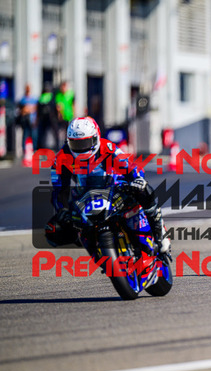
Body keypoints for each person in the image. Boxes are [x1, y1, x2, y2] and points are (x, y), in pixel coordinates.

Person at [45, 117, 170, 254]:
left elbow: (131, 168)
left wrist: (137, 180)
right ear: (68, 142)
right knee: (54, 230)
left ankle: (160, 231)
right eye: (76, 144)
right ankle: (91, 245)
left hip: (115, 189)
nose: (81, 149)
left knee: (145, 190)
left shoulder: (108, 148)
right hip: (85, 196)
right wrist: (62, 210)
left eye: (85, 143)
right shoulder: (61, 157)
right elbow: (59, 189)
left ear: (95, 138)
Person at [37, 83, 59, 150]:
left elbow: (38, 109)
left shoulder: (41, 97)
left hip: (43, 118)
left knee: (42, 134)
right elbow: (55, 107)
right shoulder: (52, 97)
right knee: (55, 133)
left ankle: (40, 147)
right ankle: (57, 147)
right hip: (52, 117)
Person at [17, 84, 38, 152]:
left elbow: (35, 108)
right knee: (25, 135)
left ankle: (34, 149)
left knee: (34, 136)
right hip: (25, 121)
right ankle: (24, 150)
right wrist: (29, 109)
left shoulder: (34, 99)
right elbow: (22, 110)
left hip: (32, 120)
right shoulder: (23, 99)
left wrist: (28, 109)